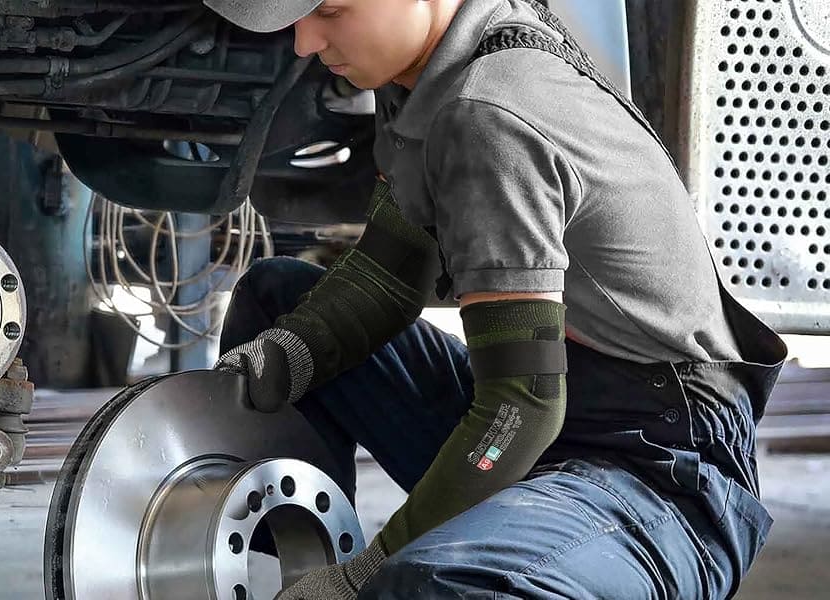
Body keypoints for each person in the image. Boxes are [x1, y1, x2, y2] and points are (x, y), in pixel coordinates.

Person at [206, 0, 788, 598]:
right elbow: (391, 275)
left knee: (440, 584)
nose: (303, 41)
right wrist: (288, 357)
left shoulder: (486, 113)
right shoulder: (423, 73)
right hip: (553, 417)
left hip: (655, 472)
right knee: (278, 306)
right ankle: (288, 572)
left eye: (329, 10)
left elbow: (526, 403)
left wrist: (365, 576)